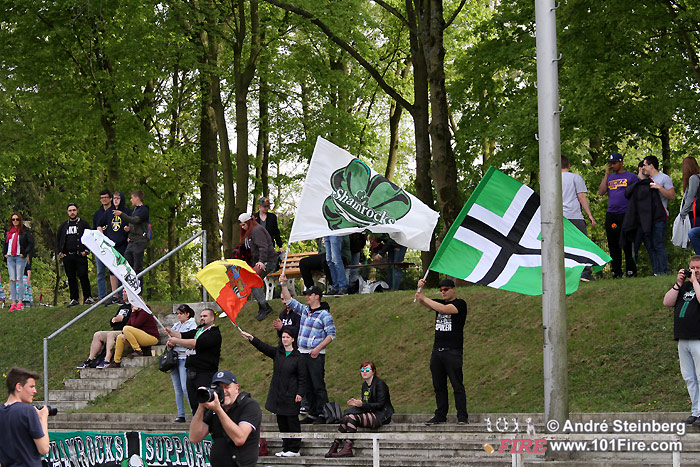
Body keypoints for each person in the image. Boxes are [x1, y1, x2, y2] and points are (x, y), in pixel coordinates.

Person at [240, 328, 306, 458]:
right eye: (283, 337)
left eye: (287, 337)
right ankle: (286, 447)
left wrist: (300, 393)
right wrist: (251, 338)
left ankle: (294, 448)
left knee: (292, 421)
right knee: (281, 421)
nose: (285, 339)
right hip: (278, 393)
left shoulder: (299, 357)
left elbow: (303, 378)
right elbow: (263, 347)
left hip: (292, 394)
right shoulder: (278, 353)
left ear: (293, 339)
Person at [279, 274, 336, 424]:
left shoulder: (324, 315)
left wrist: (318, 349)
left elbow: (331, 335)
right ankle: (312, 413)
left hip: (315, 354)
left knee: (318, 384)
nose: (307, 297)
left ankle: (323, 413)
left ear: (317, 296)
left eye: (309, 295)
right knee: (306, 385)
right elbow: (290, 301)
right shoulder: (304, 310)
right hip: (302, 352)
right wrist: (284, 285)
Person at [415, 278, 468, 425]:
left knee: (457, 385)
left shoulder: (460, 304)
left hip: (453, 351)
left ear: (453, 289)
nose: (443, 292)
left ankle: (462, 416)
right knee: (439, 386)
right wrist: (420, 288)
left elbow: (444, 309)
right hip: (437, 351)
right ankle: (440, 415)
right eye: (441, 290)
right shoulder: (439, 302)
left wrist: (423, 297)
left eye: (446, 289)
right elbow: (422, 301)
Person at [189, 370, 262, 467]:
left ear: (236, 388)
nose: (223, 391)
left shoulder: (249, 405)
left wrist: (219, 410)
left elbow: (239, 439)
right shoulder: (215, 409)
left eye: (227, 387)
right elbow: (194, 437)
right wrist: (201, 405)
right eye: (219, 388)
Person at [325, 360, 394, 458]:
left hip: (382, 415)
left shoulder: (380, 384)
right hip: (370, 412)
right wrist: (357, 404)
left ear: (373, 371)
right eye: (362, 370)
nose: (364, 372)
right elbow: (366, 404)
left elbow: (381, 405)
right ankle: (335, 446)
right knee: (347, 417)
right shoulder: (364, 385)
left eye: (367, 370)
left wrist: (362, 404)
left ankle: (347, 449)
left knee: (352, 418)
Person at [663, 256, 700, 426]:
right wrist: (678, 283)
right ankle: (696, 411)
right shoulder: (685, 286)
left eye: (698, 268)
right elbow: (667, 302)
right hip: (683, 338)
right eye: (692, 267)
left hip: (697, 338)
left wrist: (695, 282)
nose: (694, 271)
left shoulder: (697, 285)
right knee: (689, 377)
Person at [166, 308, 222, 415]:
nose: (202, 318)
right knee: (194, 404)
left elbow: (195, 343)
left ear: (212, 318)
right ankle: (196, 422)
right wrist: (171, 332)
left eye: (205, 316)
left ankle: (206, 423)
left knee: (205, 403)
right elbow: (183, 335)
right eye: (201, 316)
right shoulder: (198, 330)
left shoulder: (214, 333)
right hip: (191, 371)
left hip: (205, 373)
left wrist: (177, 341)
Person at [598, 153, 638, 278]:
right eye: (610, 163)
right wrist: (606, 174)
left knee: (628, 242)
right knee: (613, 243)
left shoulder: (631, 177)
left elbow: (636, 195)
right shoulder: (610, 177)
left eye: (614, 163)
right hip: (612, 213)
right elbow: (601, 192)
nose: (612, 165)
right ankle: (616, 271)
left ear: (621, 162)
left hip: (626, 213)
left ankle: (631, 270)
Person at [0, 367, 50, 466]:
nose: (35, 391)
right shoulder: (27, 411)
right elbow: (44, 449)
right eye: (31, 387)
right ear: (19, 387)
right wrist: (43, 418)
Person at [561, 155, 597, 281]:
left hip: (559, 217)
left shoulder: (552, 180)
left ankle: (566, 273)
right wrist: (589, 215)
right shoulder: (575, 177)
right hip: (574, 216)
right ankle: (585, 272)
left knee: (563, 245)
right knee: (582, 244)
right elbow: (581, 197)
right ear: (568, 165)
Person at [76, 290, 132, 369]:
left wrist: (123, 319)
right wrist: (113, 320)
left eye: (125, 292)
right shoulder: (122, 307)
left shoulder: (133, 307)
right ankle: (90, 359)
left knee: (110, 334)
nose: (123, 293)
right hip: (116, 330)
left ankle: (107, 360)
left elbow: (132, 322)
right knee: (97, 335)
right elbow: (112, 322)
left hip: (125, 331)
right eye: (122, 292)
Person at [238, 213, 278, 321]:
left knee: (253, 281)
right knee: (251, 281)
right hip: (259, 261)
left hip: (268, 261)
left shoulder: (257, 231)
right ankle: (262, 306)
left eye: (244, 225)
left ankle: (265, 308)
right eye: (241, 226)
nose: (242, 227)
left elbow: (263, 247)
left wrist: (261, 261)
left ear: (249, 222)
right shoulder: (250, 232)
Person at [641, 155, 675, 275]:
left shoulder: (664, 178)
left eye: (644, 165)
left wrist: (659, 187)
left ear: (651, 165)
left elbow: (671, 196)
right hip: (647, 218)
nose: (643, 167)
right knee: (650, 245)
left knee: (658, 244)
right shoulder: (645, 180)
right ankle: (656, 272)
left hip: (660, 216)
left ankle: (664, 271)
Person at [57, 203, 96, 306]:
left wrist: (86, 251)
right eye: (70, 211)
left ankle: (88, 297)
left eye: (74, 210)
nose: (72, 212)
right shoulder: (63, 226)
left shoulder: (84, 224)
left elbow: (90, 237)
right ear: (67, 212)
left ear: (77, 211)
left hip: (80, 255)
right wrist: (60, 252)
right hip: (68, 256)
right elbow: (58, 239)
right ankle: (74, 298)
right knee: (71, 277)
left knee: (83, 275)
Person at [113, 190, 150, 289]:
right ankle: (128, 291)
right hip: (131, 242)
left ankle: (139, 291)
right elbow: (134, 225)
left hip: (139, 242)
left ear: (137, 198)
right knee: (126, 266)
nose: (130, 200)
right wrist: (129, 230)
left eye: (132, 198)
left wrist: (121, 214)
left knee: (137, 268)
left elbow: (135, 220)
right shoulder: (134, 210)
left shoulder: (144, 209)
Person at [107, 302, 160, 368]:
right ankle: (116, 361)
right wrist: (123, 334)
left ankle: (138, 350)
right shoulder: (135, 313)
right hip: (141, 337)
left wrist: (133, 312)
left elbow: (135, 325)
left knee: (126, 328)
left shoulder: (145, 311)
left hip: (152, 337)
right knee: (120, 337)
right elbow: (128, 324)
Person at [169, 304, 197, 423]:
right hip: (174, 358)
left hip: (185, 357)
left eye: (181, 313)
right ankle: (181, 414)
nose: (179, 316)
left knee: (186, 387)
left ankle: (194, 413)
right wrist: (170, 342)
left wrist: (177, 341)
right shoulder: (176, 325)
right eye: (178, 314)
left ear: (187, 314)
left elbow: (190, 340)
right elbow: (171, 339)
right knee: (177, 388)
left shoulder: (192, 325)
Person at [4, 213, 35, 311]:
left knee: (19, 279)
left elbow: (31, 243)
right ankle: (13, 302)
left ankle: (20, 302)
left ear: (20, 220)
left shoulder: (25, 231)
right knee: (12, 280)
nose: (15, 221)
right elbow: (6, 243)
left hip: (19, 257)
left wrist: (24, 253)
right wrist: (5, 253)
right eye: (13, 219)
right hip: (10, 257)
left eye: (17, 219)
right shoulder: (9, 232)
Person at [105, 191, 132, 303]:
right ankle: (115, 296)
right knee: (112, 271)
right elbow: (99, 224)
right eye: (114, 198)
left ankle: (126, 296)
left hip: (124, 245)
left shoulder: (127, 212)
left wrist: (129, 231)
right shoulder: (108, 212)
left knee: (124, 270)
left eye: (118, 198)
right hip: (111, 245)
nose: (115, 200)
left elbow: (134, 225)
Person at [93, 189, 114, 300]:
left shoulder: (115, 212)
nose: (104, 200)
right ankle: (102, 297)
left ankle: (118, 296)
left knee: (115, 271)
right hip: (100, 246)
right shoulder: (97, 214)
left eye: (105, 197)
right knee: (100, 272)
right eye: (102, 198)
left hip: (113, 245)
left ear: (110, 198)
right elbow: (94, 230)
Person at [681, 157, 700, 254]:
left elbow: (690, 198)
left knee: (694, 235)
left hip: (696, 214)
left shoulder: (694, 178)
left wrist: (683, 213)